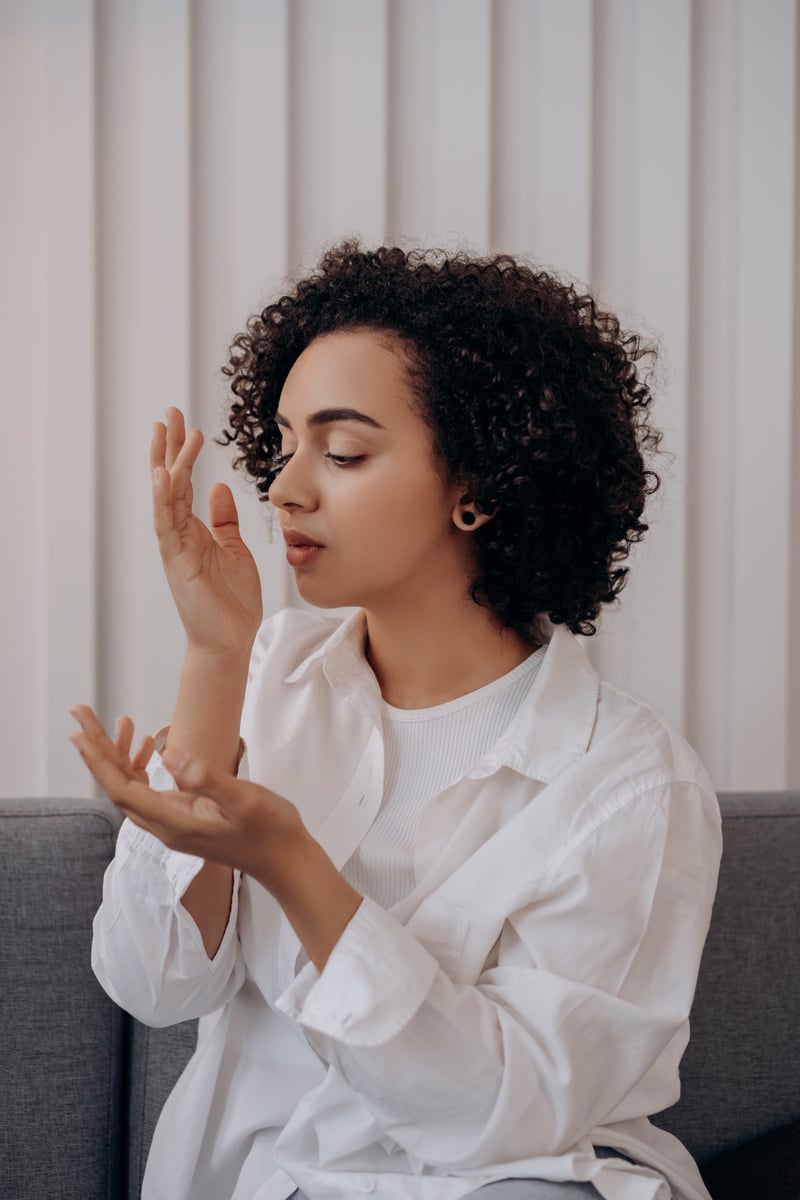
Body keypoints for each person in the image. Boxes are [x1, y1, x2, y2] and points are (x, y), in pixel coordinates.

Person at [70, 240, 722, 1200]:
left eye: (342, 452)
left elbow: (500, 1112)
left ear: (481, 488)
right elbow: (153, 984)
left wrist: (293, 865)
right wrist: (215, 658)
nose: (286, 488)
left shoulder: (627, 782)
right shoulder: (268, 673)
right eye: (283, 445)